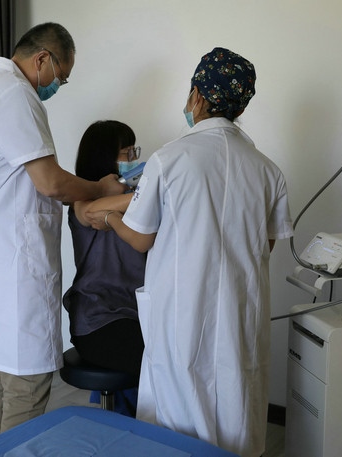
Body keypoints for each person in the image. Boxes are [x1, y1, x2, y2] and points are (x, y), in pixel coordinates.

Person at [86, 47, 294, 457]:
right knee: (235, 410)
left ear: (197, 96)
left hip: (182, 316)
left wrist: (108, 218)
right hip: (239, 316)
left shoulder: (169, 160)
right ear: (240, 107)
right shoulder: (268, 170)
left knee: (176, 421)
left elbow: (141, 238)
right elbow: (265, 245)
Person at [0, 23, 126, 444]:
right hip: (13, 276)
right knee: (26, 388)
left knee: (1, 382)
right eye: (60, 77)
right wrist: (101, 190)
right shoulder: (14, 95)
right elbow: (50, 183)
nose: (56, 86)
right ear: (42, 59)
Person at [63, 120, 146, 415]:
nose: (133, 159)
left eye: (134, 151)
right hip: (98, 320)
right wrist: (149, 191)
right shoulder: (82, 204)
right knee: (158, 363)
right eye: (126, 153)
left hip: (136, 314)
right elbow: (90, 212)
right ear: (104, 159)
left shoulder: (137, 206)